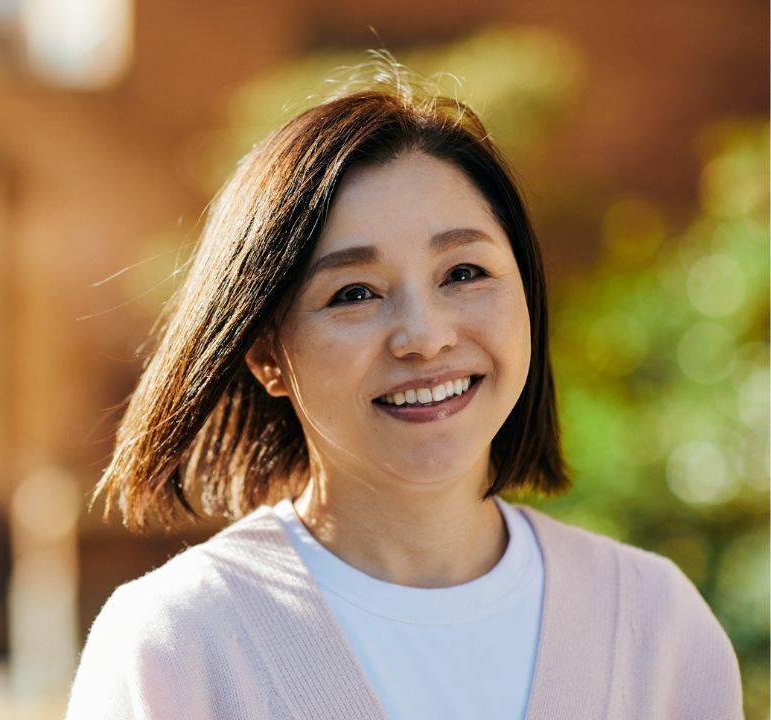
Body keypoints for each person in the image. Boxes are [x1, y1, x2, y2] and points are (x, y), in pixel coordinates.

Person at [62, 57, 744, 720]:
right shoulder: (178, 644)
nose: (424, 336)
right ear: (266, 354)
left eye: (464, 273)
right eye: (354, 293)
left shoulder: (654, 625)